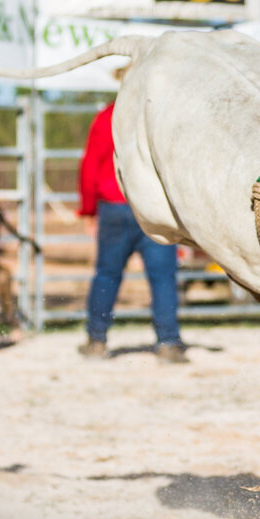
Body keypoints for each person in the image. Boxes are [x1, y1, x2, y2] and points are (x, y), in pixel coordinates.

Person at [77, 98, 186, 363]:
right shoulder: (159, 116)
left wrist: (89, 210)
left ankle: (96, 341)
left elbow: (90, 164)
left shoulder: (106, 117)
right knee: (163, 277)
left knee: (107, 275)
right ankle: (168, 344)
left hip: (114, 208)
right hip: (154, 206)